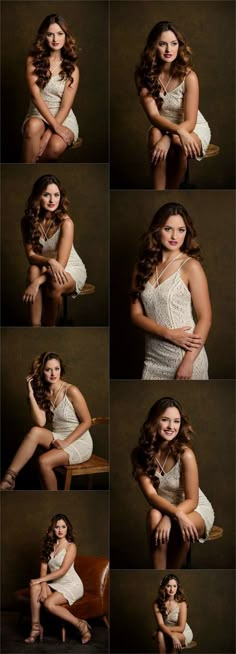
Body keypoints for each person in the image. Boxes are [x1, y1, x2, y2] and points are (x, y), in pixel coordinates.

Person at [131, 202, 212, 380]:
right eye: (168, 229)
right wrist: (168, 333)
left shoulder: (191, 266)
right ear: (157, 229)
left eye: (181, 230)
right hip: (153, 358)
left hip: (186, 357)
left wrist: (189, 361)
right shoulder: (142, 267)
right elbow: (135, 314)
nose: (175, 236)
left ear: (187, 232)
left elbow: (205, 318)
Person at [131, 397, 215, 569]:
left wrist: (171, 517)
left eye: (176, 421)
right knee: (153, 515)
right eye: (165, 420)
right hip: (166, 508)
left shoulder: (185, 454)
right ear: (154, 421)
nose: (171, 426)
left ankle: (173, 572)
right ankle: (159, 573)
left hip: (194, 508)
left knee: (178, 529)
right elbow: (151, 496)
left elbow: (193, 500)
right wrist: (172, 515)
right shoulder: (140, 454)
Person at [0, 352, 93, 491]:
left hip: (78, 442)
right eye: (48, 369)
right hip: (58, 437)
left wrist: (66, 442)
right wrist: (31, 395)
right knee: (35, 431)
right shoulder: (44, 393)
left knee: (43, 461)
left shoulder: (71, 390)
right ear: (41, 371)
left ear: (61, 369)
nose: (53, 374)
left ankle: (54, 498)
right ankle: (9, 478)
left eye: (57, 368)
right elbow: (41, 423)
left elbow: (87, 422)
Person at [135, 21, 211, 189]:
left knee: (177, 141)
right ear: (153, 47)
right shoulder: (144, 76)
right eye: (162, 44)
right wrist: (168, 134)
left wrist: (169, 137)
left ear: (179, 46)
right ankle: (159, 190)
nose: (169, 50)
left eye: (174, 44)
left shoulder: (189, 76)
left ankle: (173, 189)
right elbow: (154, 116)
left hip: (191, 126)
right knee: (155, 133)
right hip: (162, 124)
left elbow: (190, 122)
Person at [21, 174, 87, 326]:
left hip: (69, 268)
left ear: (61, 197)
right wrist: (50, 261)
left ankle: (49, 326)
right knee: (32, 269)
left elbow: (61, 266)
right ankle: (35, 326)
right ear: (38, 197)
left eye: (56, 195)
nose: (52, 200)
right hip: (47, 265)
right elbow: (31, 255)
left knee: (54, 283)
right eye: (46, 195)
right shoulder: (27, 221)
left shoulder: (66, 223)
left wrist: (36, 283)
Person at [24, 514, 91, 644]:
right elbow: (43, 570)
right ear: (52, 529)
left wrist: (39, 580)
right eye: (57, 527)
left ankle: (81, 625)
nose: (60, 530)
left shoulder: (71, 546)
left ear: (68, 528)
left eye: (63, 527)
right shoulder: (48, 546)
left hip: (72, 584)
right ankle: (35, 628)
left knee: (49, 604)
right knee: (34, 587)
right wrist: (43, 586)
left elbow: (63, 571)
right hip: (56, 584)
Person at [22, 14, 79, 163]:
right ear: (44, 37)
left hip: (63, 117)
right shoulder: (32, 60)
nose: (55, 39)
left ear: (66, 36)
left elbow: (66, 107)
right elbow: (35, 96)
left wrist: (50, 132)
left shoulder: (72, 69)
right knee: (32, 127)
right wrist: (54, 127)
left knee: (54, 146)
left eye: (60, 34)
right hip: (38, 113)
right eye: (50, 34)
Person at [153, 574, 193, 652]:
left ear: (177, 587)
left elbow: (181, 628)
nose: (172, 589)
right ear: (164, 587)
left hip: (183, 633)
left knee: (161, 633)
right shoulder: (157, 604)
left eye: (174, 586)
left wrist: (160, 629)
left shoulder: (182, 604)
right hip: (167, 632)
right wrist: (172, 635)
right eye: (168, 586)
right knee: (160, 634)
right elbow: (161, 624)